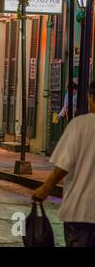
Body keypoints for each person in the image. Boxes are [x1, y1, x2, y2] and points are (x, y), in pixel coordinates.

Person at [32, 81, 95, 247]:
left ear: (91, 99)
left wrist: (45, 188)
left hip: (80, 212)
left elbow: (63, 165)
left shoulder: (80, 125)